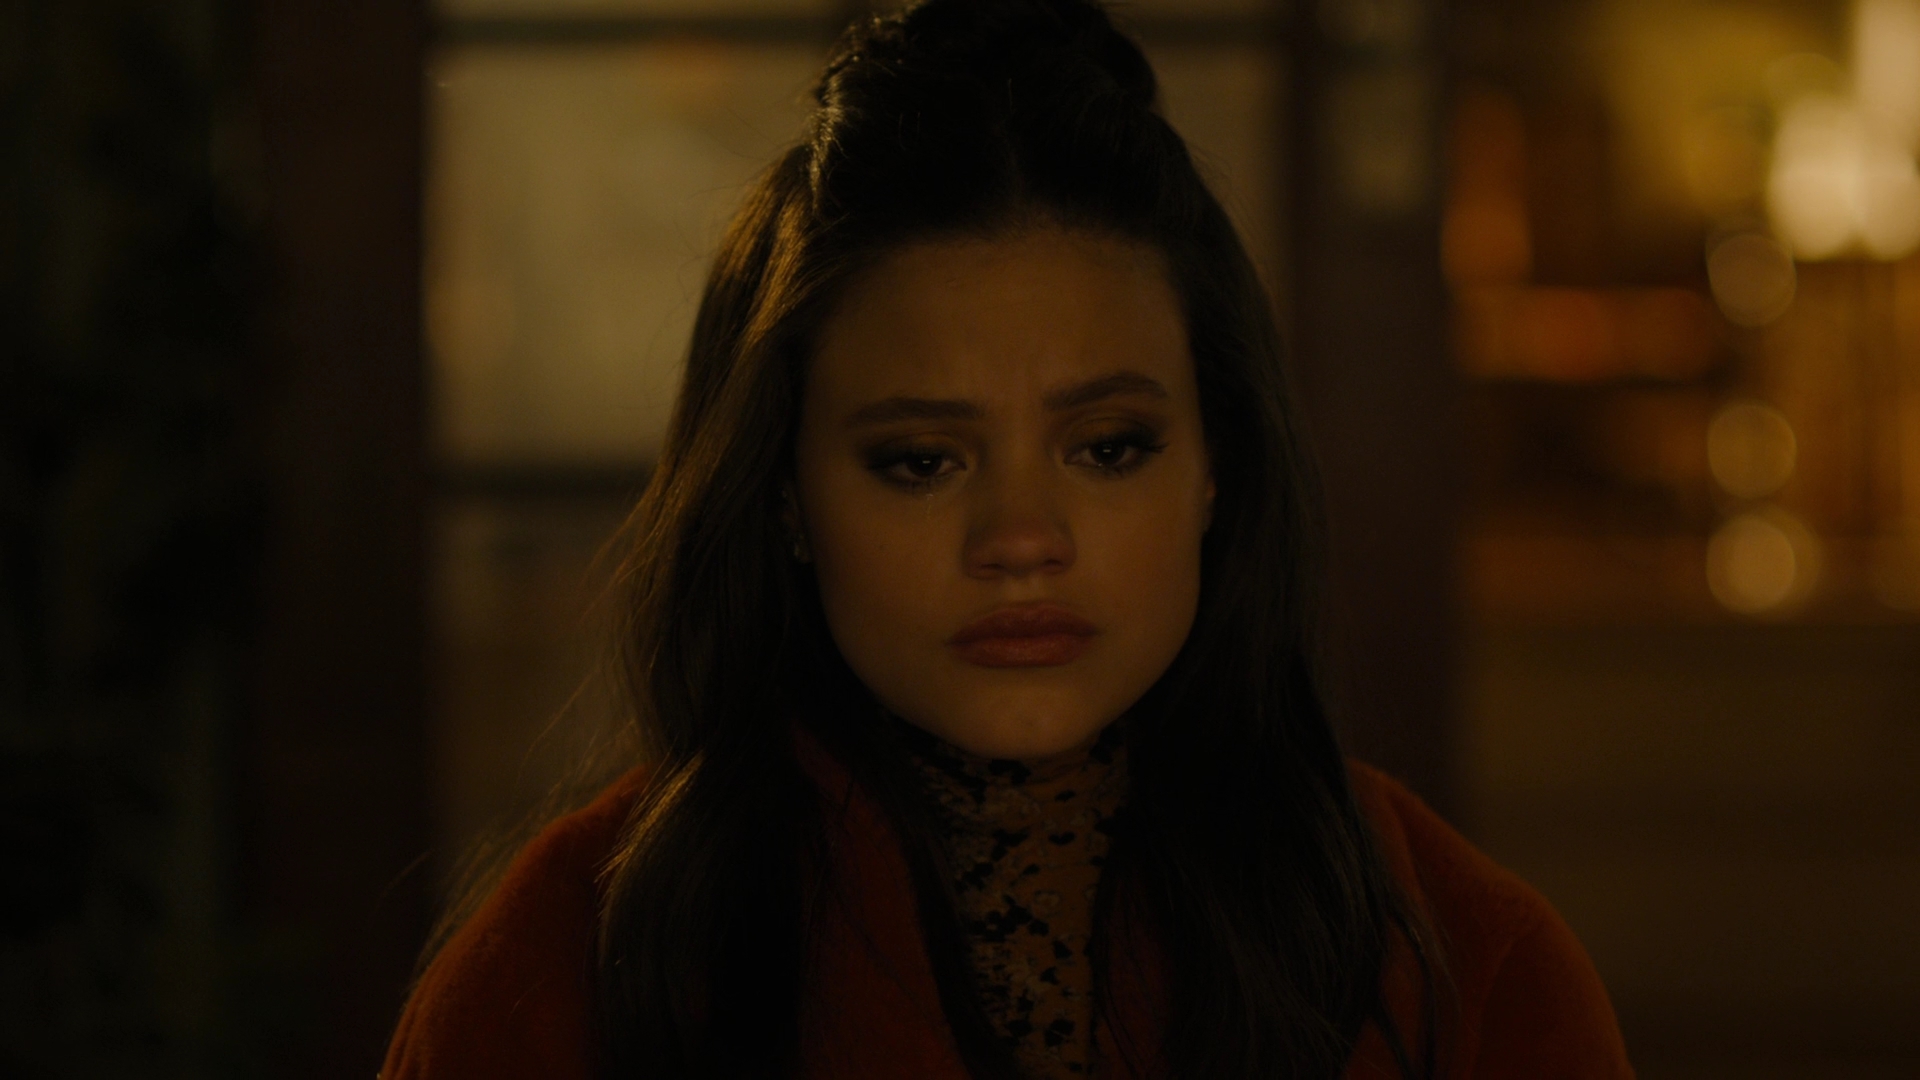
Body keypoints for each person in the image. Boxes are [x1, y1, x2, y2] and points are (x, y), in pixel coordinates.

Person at [382, 1, 1632, 1077]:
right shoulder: (570, 970)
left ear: (1217, 468)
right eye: (921, 462)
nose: (1022, 539)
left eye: (1109, 448)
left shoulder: (1462, 962)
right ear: (785, 497)